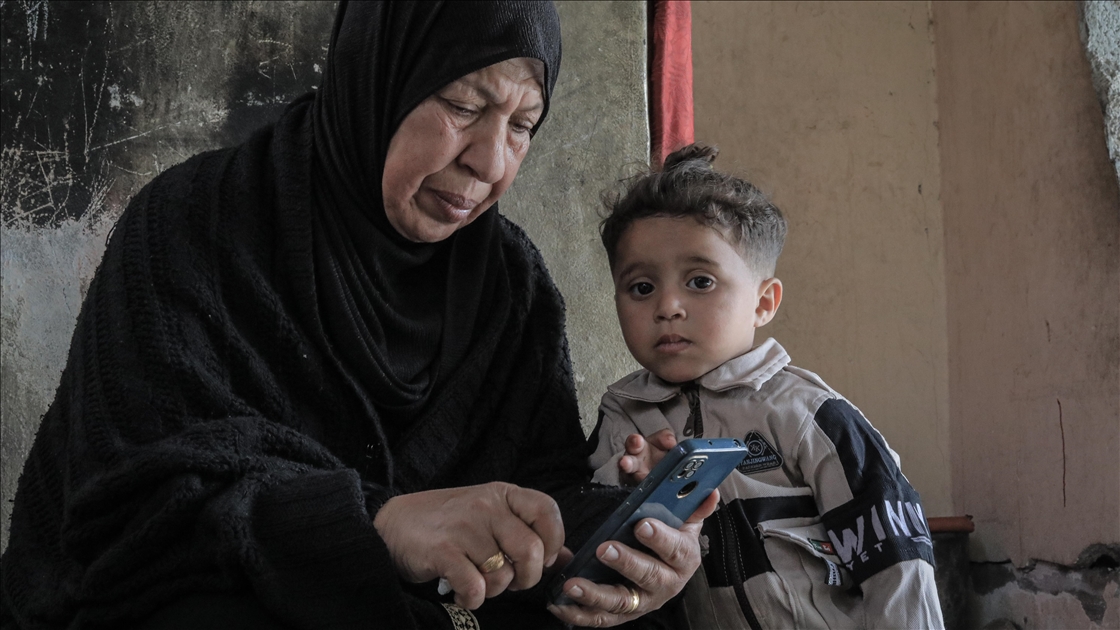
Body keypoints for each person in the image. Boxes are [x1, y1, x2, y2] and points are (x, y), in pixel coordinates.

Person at [0, 3, 717, 629]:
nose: (489, 163)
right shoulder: (191, 224)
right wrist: (374, 522)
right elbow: (131, 508)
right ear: (380, 72)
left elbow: (541, 488)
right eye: (464, 106)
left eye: (523, 125)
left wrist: (618, 536)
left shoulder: (510, 282)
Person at [587, 143, 945, 629]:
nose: (667, 306)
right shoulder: (622, 419)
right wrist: (631, 488)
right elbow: (594, 552)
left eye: (699, 281)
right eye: (642, 288)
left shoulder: (807, 414)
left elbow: (897, 560)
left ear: (763, 302)